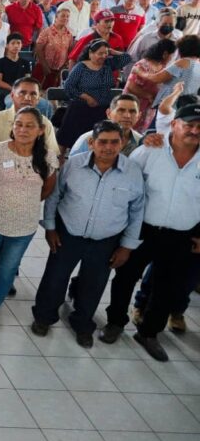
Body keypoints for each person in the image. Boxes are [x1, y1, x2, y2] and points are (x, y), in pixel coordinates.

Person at [31, 120, 144, 347]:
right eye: (102, 142)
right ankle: (44, 317)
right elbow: (54, 196)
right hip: (68, 233)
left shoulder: (132, 172)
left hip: (106, 239)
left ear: (122, 143)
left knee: (93, 284)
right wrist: (50, 227)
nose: (108, 147)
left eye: (114, 142)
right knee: (55, 278)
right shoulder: (73, 165)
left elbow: (137, 209)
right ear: (92, 142)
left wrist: (127, 245)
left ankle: (82, 323)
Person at [101, 104, 200, 361]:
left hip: (181, 234)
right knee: (125, 277)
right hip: (142, 229)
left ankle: (149, 332)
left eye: (199, 127)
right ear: (175, 123)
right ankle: (115, 323)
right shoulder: (149, 150)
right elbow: (125, 187)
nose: (194, 130)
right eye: (189, 124)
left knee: (167, 286)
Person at [0, 108, 58, 331]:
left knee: (8, 270)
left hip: (23, 228)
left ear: (41, 130)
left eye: (29, 126)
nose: (23, 130)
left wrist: (23, 204)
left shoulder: (47, 158)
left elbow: (47, 190)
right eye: (18, 124)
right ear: (12, 127)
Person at [57, 40, 132, 150]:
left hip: (102, 109)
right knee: (68, 140)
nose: (103, 56)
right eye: (100, 53)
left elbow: (127, 58)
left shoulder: (108, 65)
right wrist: (87, 97)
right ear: (91, 53)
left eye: (105, 53)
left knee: (98, 140)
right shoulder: (81, 67)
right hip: (80, 109)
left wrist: (111, 51)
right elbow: (68, 86)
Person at [124, 39, 177, 131]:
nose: (173, 58)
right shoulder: (142, 65)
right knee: (128, 130)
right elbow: (131, 86)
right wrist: (149, 96)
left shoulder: (164, 67)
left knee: (141, 133)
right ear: (165, 54)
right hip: (133, 105)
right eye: (172, 55)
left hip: (149, 107)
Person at [32, 5, 74, 89]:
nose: (65, 18)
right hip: (44, 67)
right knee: (37, 91)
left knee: (52, 94)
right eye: (63, 16)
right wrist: (44, 65)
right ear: (56, 17)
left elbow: (69, 51)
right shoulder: (47, 31)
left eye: (67, 16)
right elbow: (38, 48)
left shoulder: (69, 33)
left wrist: (63, 67)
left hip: (58, 70)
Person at [0, 33, 31, 101]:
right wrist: (13, 89)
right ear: (7, 45)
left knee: (44, 104)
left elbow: (27, 80)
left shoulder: (26, 63)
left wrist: (22, 90)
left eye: (18, 43)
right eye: (13, 43)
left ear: (21, 45)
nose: (16, 46)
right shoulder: (0, 62)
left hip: (22, 90)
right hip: (6, 91)